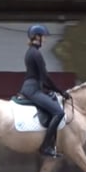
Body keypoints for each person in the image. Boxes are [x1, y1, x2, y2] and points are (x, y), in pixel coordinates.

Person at [19, 24, 70, 158]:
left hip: (34, 87)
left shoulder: (31, 52)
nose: (45, 40)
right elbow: (45, 76)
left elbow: (42, 78)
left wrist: (50, 89)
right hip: (33, 89)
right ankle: (45, 146)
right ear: (37, 37)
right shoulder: (35, 53)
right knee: (59, 112)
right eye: (43, 37)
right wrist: (61, 91)